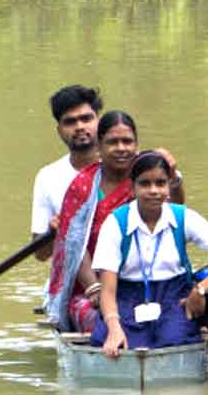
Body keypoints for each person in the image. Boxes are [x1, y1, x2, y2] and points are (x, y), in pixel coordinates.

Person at [91, 151, 208, 357]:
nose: (154, 191)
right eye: (145, 184)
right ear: (132, 187)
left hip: (174, 297)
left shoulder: (183, 217)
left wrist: (200, 290)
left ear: (169, 185)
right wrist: (113, 326)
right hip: (126, 297)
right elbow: (108, 290)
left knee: (175, 342)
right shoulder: (116, 223)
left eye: (161, 183)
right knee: (113, 343)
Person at [45, 112, 184, 333]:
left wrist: (174, 177)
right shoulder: (83, 185)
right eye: (113, 142)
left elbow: (176, 218)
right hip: (91, 286)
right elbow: (75, 244)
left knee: (185, 315)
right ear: (99, 146)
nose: (121, 148)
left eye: (127, 141)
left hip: (146, 281)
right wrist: (94, 289)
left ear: (137, 145)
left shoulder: (148, 179)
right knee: (98, 321)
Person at [32, 85, 102, 260]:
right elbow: (40, 254)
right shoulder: (47, 177)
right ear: (59, 130)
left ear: (99, 121)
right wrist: (53, 231)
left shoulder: (125, 165)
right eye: (70, 122)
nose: (79, 126)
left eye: (86, 119)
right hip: (70, 279)